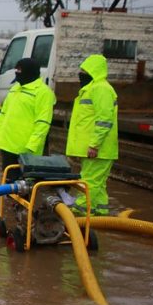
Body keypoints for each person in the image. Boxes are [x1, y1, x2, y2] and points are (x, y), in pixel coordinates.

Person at [65, 54, 118, 216]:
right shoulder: (93, 88)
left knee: (88, 183)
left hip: (98, 148)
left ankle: (78, 215)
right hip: (96, 148)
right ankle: (100, 215)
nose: (81, 73)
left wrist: (94, 144)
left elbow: (105, 120)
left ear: (93, 71)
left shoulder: (101, 89)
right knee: (98, 184)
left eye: (84, 70)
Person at [0, 57, 56, 181]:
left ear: (29, 72)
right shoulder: (15, 88)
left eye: (19, 70)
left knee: (24, 187)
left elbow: (43, 122)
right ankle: (10, 200)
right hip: (7, 145)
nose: (17, 73)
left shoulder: (43, 93)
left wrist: (32, 145)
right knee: (9, 184)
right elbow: (3, 114)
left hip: (26, 149)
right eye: (16, 70)